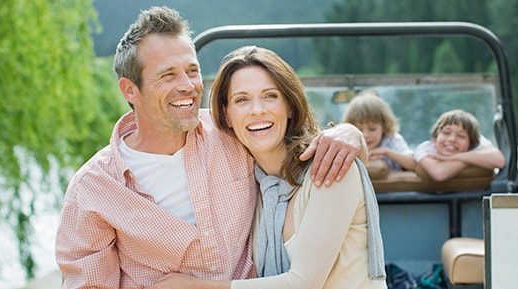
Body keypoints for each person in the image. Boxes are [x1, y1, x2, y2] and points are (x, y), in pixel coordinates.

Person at [55, 7, 365, 288]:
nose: (188, 86)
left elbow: (294, 143)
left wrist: (351, 134)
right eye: (168, 75)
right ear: (130, 89)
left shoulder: (231, 132)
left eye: (192, 70)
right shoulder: (93, 188)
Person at [148, 46, 387, 289]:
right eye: (241, 100)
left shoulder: (330, 164)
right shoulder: (251, 186)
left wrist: (194, 286)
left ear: (290, 106)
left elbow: (303, 283)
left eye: (270, 96)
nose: (257, 110)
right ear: (227, 116)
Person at [414, 109, 505, 181]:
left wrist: (451, 158)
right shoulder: (426, 149)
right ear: (434, 138)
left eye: (461, 136)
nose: (452, 139)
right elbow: (439, 174)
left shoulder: (478, 143)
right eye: (446, 133)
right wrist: (471, 159)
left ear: (471, 144)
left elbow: (499, 160)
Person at [342, 90, 416, 171]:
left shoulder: (392, 139)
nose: (366, 135)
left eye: (372, 129)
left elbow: (413, 163)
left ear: (384, 126)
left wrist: (386, 152)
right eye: (359, 130)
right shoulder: (348, 143)